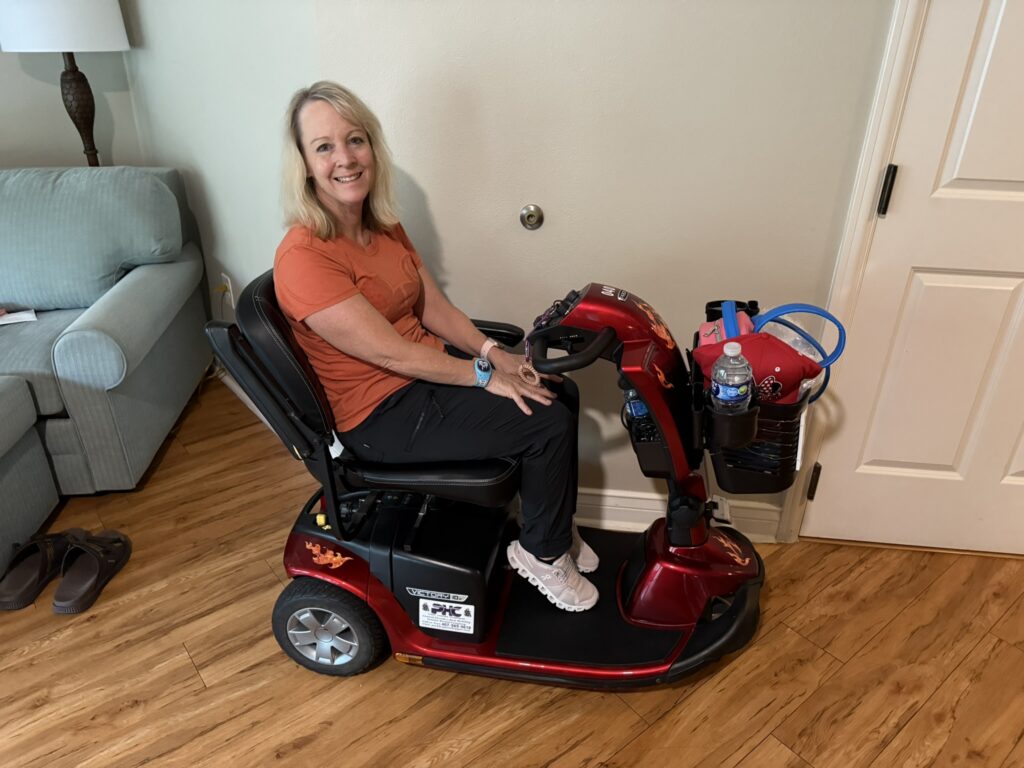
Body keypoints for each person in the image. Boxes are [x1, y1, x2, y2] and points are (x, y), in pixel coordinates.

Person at [274, 81, 599, 611]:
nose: (345, 158)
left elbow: (434, 309)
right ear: (305, 165)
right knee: (546, 421)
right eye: (324, 147)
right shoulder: (305, 257)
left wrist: (496, 355)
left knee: (559, 392)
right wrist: (484, 377)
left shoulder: (382, 226)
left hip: (423, 381)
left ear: (372, 147)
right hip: (380, 416)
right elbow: (389, 353)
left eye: (354, 140)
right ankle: (542, 554)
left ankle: (552, 529)